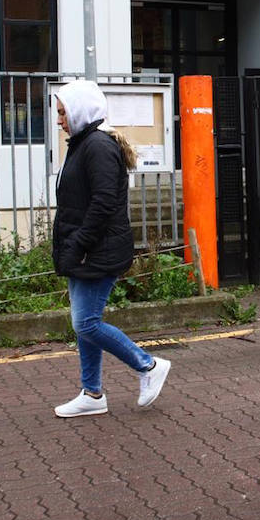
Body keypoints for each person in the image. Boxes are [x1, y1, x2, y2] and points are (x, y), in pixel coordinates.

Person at [50, 79, 170, 417]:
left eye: (63, 113)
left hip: (95, 250)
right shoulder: (84, 143)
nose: (59, 120)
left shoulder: (97, 147)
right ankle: (92, 394)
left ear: (80, 111)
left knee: (86, 323)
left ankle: (147, 366)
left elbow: (103, 204)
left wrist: (78, 245)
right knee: (85, 322)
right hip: (86, 249)